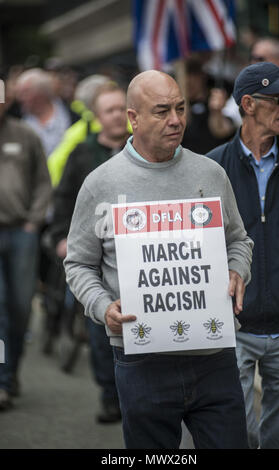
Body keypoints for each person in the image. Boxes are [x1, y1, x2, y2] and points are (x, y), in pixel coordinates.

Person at [64, 70, 253, 449]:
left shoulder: (210, 173)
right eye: (162, 111)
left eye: (180, 108)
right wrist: (103, 307)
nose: (176, 120)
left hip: (212, 354)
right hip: (140, 360)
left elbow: (239, 241)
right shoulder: (101, 182)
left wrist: (236, 270)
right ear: (133, 118)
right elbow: (78, 264)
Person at [207, 62, 279, 449]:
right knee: (235, 435)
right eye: (277, 100)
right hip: (233, 327)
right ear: (248, 104)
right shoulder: (211, 168)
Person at [50, 82, 129, 423]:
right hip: (95, 261)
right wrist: (60, 237)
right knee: (101, 329)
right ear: (97, 117)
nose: (115, 116)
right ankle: (110, 396)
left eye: (119, 109)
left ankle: (136, 397)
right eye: (108, 110)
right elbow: (64, 200)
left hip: (136, 258)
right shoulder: (81, 155)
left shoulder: (140, 151)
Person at [0, 78, 52, 410]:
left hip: (21, 233)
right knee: (0, 309)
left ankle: (12, 369)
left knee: (20, 309)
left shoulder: (25, 134)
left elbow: (43, 181)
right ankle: (2, 381)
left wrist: (33, 222)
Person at [181, 58, 235, 154]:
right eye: (185, 75)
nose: (188, 81)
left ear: (203, 76)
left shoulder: (216, 102)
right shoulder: (179, 107)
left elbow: (222, 131)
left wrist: (217, 112)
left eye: (193, 74)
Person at [15, 68, 72, 157]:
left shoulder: (72, 115)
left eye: (25, 92)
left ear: (41, 93)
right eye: (18, 93)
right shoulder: (19, 126)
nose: (20, 98)